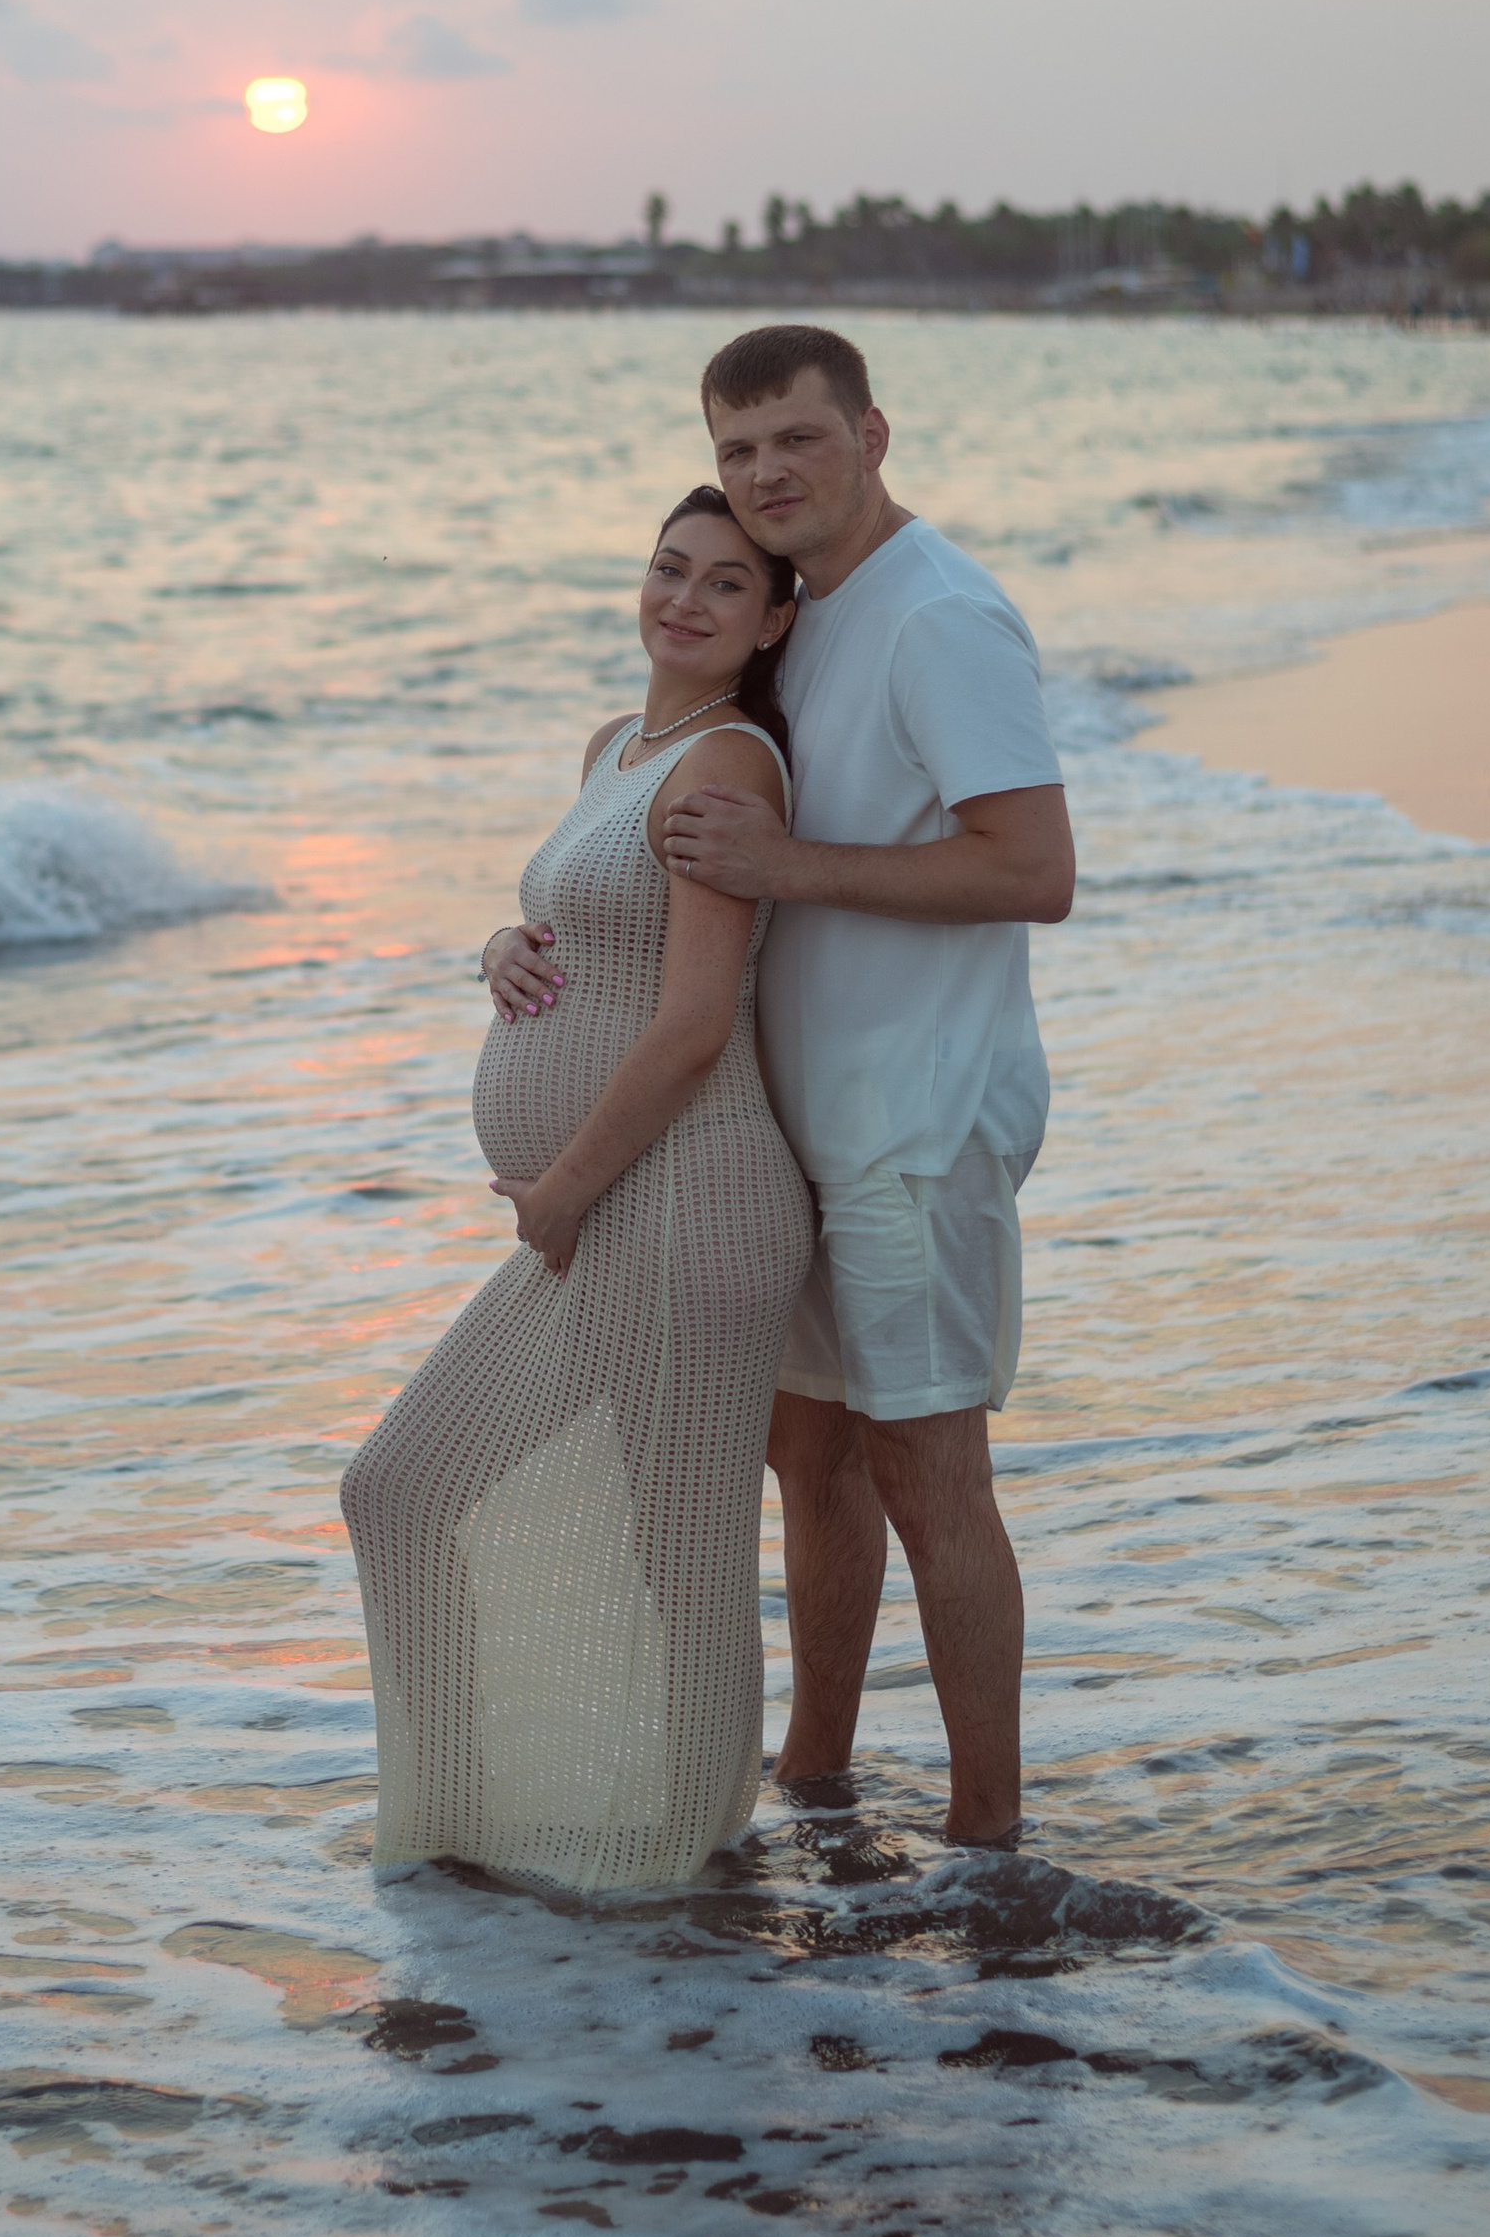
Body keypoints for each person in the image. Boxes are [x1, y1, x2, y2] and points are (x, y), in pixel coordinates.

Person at [340, 492, 814, 1895]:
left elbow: (692, 1024)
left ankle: (683, 1852)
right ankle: (492, 1827)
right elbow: (590, 925)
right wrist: (502, 941)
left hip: (683, 1196)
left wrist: (562, 1194)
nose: (685, 599)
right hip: (621, 1201)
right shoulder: (622, 746)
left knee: (652, 1540)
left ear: (775, 620)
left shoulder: (727, 767)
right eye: (670, 568)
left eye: (727, 585)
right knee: (419, 1495)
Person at [663, 326, 1074, 1850]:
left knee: (929, 1470)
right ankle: (814, 1779)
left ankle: (986, 1840)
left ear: (873, 434)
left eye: (794, 439)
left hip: (918, 1115)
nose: (764, 474)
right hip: (805, 1125)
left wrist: (788, 868)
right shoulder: (807, 615)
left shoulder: (940, 618)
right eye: (735, 450)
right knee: (812, 1451)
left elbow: (1035, 871)